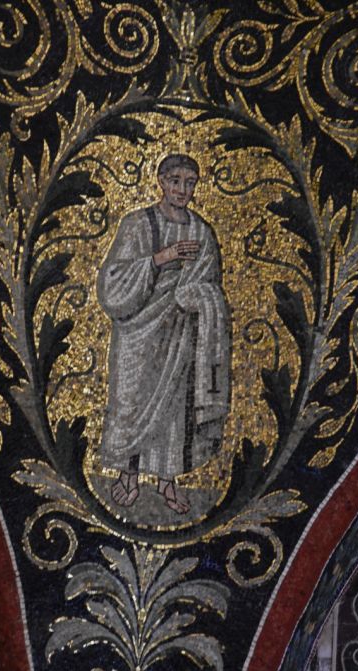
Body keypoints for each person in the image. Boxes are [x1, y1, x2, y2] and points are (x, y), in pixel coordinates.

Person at [97, 154, 230, 514]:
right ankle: (128, 475)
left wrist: (196, 296)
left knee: (174, 408)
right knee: (131, 400)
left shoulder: (202, 232)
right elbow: (112, 284)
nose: (182, 190)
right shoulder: (137, 224)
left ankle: (167, 481)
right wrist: (160, 259)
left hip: (180, 332)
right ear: (161, 181)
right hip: (138, 332)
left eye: (190, 182)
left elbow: (210, 283)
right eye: (175, 181)